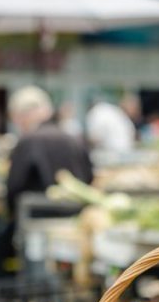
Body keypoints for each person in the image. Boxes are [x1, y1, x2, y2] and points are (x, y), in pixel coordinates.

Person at [5, 86, 93, 217]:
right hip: (75, 217)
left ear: (22, 115)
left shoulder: (27, 142)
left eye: (16, 119)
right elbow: (89, 177)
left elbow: (14, 186)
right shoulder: (72, 139)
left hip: (37, 218)